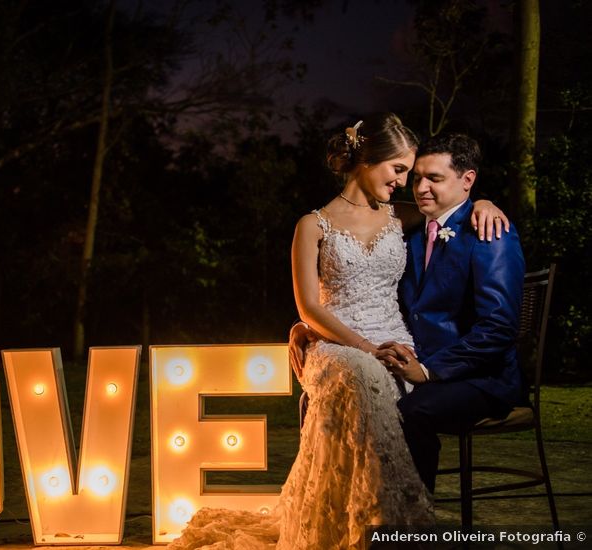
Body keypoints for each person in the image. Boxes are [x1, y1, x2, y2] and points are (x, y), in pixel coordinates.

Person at [168, 114, 508, 550]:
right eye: (399, 169)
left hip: (395, 339)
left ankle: (380, 526)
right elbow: (309, 305)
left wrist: (485, 202)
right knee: (361, 375)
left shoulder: (400, 217)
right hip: (334, 345)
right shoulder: (311, 226)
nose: (406, 183)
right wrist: (342, 339)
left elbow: (453, 212)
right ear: (367, 160)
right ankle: (384, 525)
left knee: (383, 374)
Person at [376, 133, 525, 495]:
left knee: (411, 412)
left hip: (481, 378)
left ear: (468, 180)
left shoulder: (490, 232)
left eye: (435, 179)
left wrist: (429, 371)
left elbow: (499, 327)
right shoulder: (411, 233)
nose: (421, 187)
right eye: (417, 177)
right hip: (418, 364)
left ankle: (415, 516)